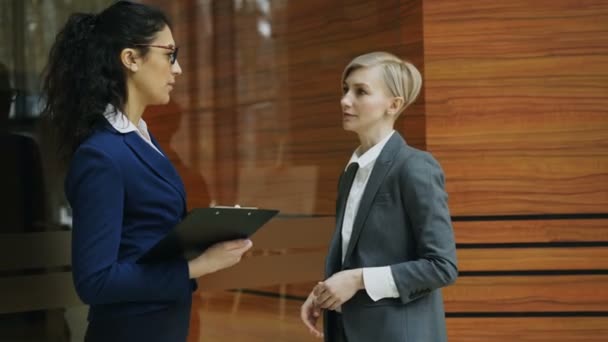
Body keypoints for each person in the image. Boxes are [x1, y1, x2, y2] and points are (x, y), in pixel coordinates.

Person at [41, 2, 252, 341]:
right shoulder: (101, 155)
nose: (178, 69)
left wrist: (208, 236)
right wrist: (201, 265)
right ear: (131, 59)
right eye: (170, 54)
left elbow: (145, 239)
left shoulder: (140, 138)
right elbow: (95, 281)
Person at [300, 52, 458, 342]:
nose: (345, 100)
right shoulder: (351, 173)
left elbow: (442, 267)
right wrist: (325, 291)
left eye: (361, 91)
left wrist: (357, 280)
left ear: (393, 104)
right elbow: (358, 254)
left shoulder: (415, 167)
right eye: (345, 89)